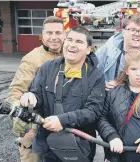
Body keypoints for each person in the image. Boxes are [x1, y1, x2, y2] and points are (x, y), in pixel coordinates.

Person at [19, 26, 105, 162]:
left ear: (88, 49)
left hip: (79, 147)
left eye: (79, 42)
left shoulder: (96, 76)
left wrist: (63, 121)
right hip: (47, 145)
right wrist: (31, 98)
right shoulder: (47, 68)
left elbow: (93, 111)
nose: (72, 45)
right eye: (69, 40)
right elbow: (36, 93)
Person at [6, 16, 66, 162]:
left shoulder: (71, 54)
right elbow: (16, 91)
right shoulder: (32, 59)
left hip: (63, 125)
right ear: (43, 35)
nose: (54, 37)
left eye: (58, 33)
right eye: (49, 33)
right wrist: (20, 115)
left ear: (65, 34)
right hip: (35, 128)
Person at [95, 14, 140, 91]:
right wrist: (105, 84)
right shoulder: (108, 50)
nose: (137, 34)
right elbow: (93, 74)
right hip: (112, 99)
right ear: (123, 32)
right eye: (133, 30)